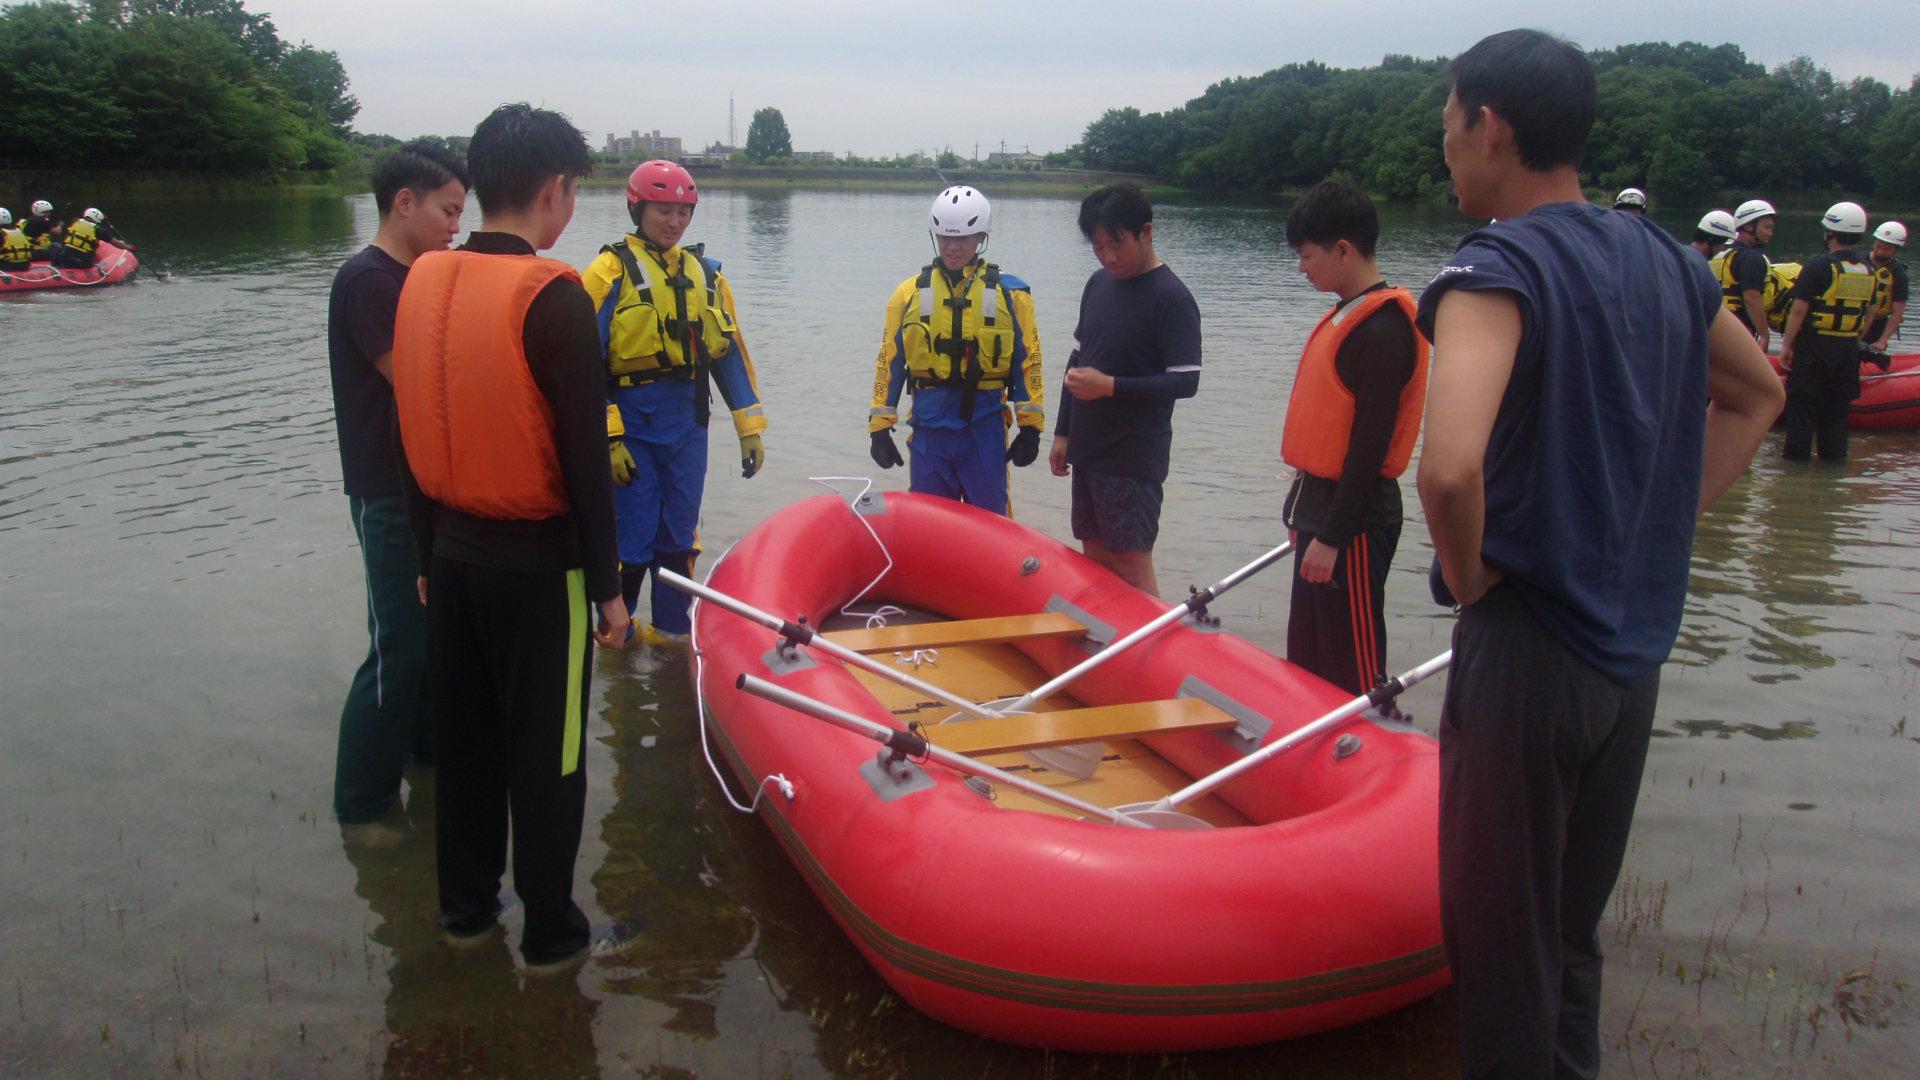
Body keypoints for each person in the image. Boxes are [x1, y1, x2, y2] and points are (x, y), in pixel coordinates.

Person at [1414, 30, 1782, 1080]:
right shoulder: (1668, 262)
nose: (1449, 155)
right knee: (1569, 943)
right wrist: (1658, 521)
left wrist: (1474, 574)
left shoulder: (1498, 266)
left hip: (1528, 651)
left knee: (1499, 950)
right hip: (1629, 663)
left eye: (1450, 131)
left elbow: (1446, 469)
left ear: (1492, 128)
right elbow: (1759, 395)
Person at [391, 102, 629, 972]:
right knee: (550, 756)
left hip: (450, 555)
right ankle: (555, 937)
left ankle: (464, 913)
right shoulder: (554, 296)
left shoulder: (420, 279)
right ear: (557, 190)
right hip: (538, 570)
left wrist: (423, 557)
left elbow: (410, 429)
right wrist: (608, 588)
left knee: (465, 742)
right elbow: (583, 461)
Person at [325, 139, 471, 833]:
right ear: (403, 202)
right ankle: (364, 805)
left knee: (428, 639)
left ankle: (428, 756)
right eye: (447, 210)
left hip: (425, 491)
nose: (454, 226)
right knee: (397, 645)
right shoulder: (369, 281)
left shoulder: (413, 278)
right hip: (388, 494)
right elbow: (417, 380)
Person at [581, 160, 767, 644]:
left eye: (683, 213)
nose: (674, 222)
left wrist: (750, 428)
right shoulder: (609, 271)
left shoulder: (707, 274)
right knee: (632, 542)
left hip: (688, 424)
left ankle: (670, 639)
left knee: (680, 540)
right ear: (637, 208)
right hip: (631, 426)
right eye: (663, 210)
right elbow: (580, 362)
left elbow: (731, 357)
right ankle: (614, 638)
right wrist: (608, 435)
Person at [1278, 179, 1429, 698]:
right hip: (1318, 508)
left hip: (1356, 520)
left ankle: (1367, 751)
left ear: (1343, 249)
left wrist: (1335, 535)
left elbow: (1369, 446)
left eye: (1308, 255)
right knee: (1308, 653)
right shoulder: (1345, 313)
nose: (1302, 267)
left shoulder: (1383, 329)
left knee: (1352, 663)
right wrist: (1302, 519)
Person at [1048, 182, 1201, 595]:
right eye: (1098, 247)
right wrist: (1063, 432)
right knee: (1092, 555)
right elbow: (1076, 363)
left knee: (1131, 562)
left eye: (1117, 244)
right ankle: (1103, 650)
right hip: (1088, 449)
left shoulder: (1172, 298)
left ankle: (1151, 652)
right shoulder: (1098, 284)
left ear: (1146, 232)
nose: (1108, 257)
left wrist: (1110, 387)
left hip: (1134, 458)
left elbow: (1185, 381)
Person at [869, 185, 1044, 516]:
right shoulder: (907, 294)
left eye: (963, 238)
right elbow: (888, 363)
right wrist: (879, 427)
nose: (952, 246)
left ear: (981, 238)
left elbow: (1029, 361)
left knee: (991, 522)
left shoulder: (1012, 294)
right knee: (929, 522)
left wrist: (1031, 428)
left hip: (985, 426)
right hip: (929, 428)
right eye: (945, 238)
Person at [1779, 201, 1877, 463]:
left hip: (1815, 348)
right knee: (1836, 417)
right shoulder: (1869, 269)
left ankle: (1795, 469)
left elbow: (1799, 310)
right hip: (1847, 352)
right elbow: (1869, 313)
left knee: (1802, 411)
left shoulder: (1818, 266)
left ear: (1830, 233)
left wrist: (1787, 346)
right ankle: (1833, 471)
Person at [1710, 198, 1776, 350]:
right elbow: (1751, 297)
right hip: (1738, 332)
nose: (1770, 233)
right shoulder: (1752, 258)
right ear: (1749, 225)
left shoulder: (1721, 254)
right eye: (1766, 227)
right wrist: (1764, 334)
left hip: (1714, 327)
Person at [1864, 220, 1907, 356]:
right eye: (1878, 246)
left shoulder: (1898, 274)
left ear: (1895, 249)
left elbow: (1897, 312)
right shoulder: (1857, 261)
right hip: (1854, 320)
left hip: (1877, 326)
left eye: (1887, 248)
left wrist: (1883, 340)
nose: (1881, 251)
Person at [51, 207, 125, 269]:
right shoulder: (99, 230)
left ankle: (56, 266)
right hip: (83, 262)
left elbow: (76, 220)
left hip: (65, 258)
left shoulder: (75, 223)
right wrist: (128, 247)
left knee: (56, 245)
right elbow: (114, 242)